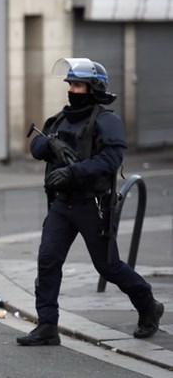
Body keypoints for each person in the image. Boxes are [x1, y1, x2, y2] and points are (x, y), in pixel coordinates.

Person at [17, 57, 164, 346]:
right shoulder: (60, 119)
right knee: (47, 262)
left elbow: (110, 160)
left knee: (108, 266)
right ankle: (47, 325)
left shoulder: (108, 121)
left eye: (78, 84)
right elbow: (36, 145)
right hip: (61, 205)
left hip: (92, 205)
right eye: (70, 84)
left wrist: (72, 171)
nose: (72, 89)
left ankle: (149, 307)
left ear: (94, 88)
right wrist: (47, 144)